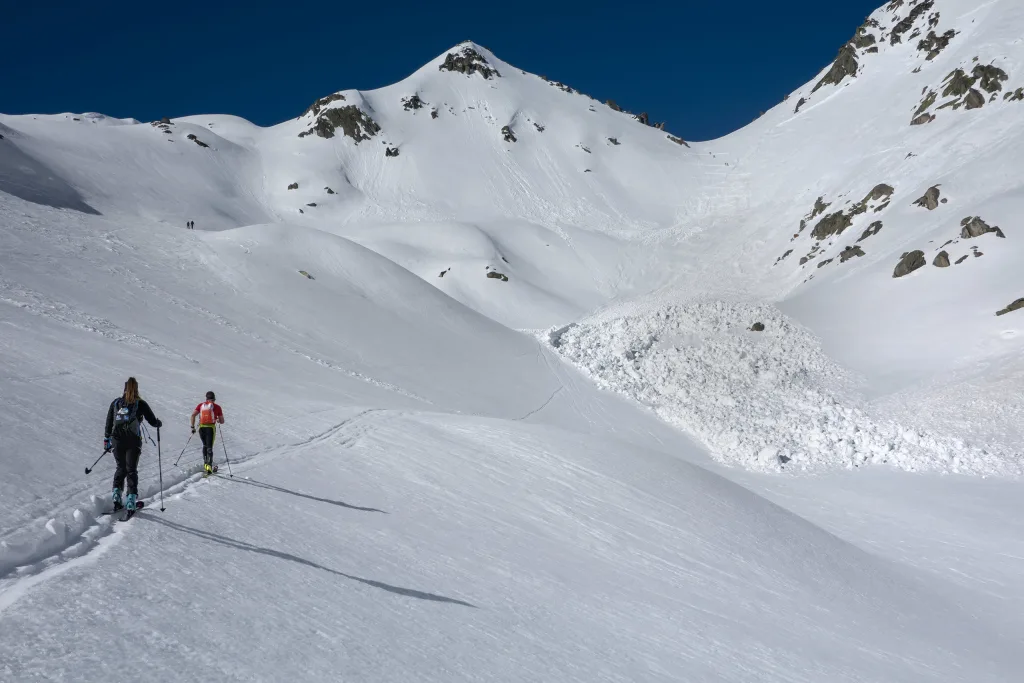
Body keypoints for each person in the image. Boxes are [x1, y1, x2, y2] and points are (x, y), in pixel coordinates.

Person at [104, 377, 162, 511]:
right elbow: (152, 421)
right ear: (136, 388)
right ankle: (131, 500)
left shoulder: (116, 403)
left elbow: (109, 422)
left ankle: (116, 497)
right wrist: (158, 423)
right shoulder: (140, 403)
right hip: (133, 440)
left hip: (117, 440)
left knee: (120, 468)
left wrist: (107, 439)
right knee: (131, 470)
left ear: (124, 389)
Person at [190, 391, 224, 474]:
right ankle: (209, 467)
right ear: (214, 399)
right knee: (209, 447)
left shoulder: (201, 406)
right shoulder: (217, 407)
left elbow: (193, 415)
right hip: (210, 428)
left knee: (204, 445)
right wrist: (218, 420)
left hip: (201, 428)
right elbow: (222, 421)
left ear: (206, 398)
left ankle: (205, 464)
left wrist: (192, 427)